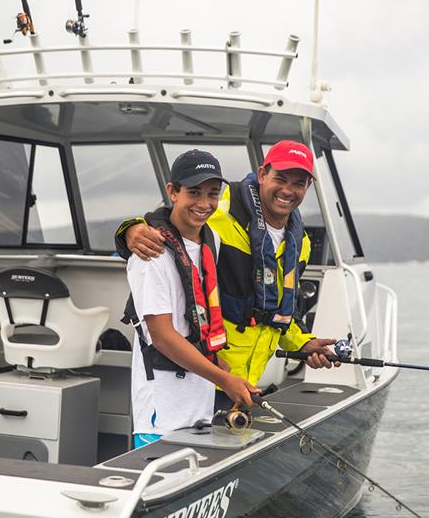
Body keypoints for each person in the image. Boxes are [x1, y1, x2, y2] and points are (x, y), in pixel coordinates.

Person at [117, 141, 338, 409]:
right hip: (205, 375)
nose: (287, 190)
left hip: (244, 385)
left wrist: (304, 344)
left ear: (308, 187)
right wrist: (130, 230)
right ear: (262, 174)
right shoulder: (216, 217)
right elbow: (168, 223)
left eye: (298, 183)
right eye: (280, 178)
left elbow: (278, 310)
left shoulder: (299, 244)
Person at [123, 149, 259, 448]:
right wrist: (225, 381)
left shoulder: (214, 240)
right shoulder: (150, 253)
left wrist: (217, 363)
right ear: (172, 191)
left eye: (213, 194)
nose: (204, 204)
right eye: (194, 192)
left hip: (198, 401)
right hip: (161, 410)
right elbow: (161, 336)